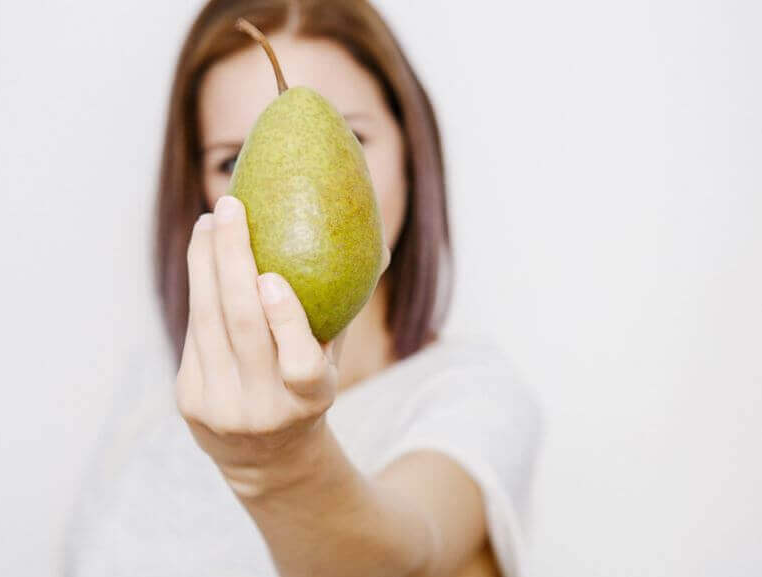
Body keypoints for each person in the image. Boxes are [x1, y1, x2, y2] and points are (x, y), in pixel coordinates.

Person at [66, 1, 542, 576]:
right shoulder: (161, 386)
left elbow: (408, 556)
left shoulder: (471, 397)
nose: (299, 188)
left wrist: (278, 469)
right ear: (198, 190)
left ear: (412, 153)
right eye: (233, 159)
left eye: (351, 138)